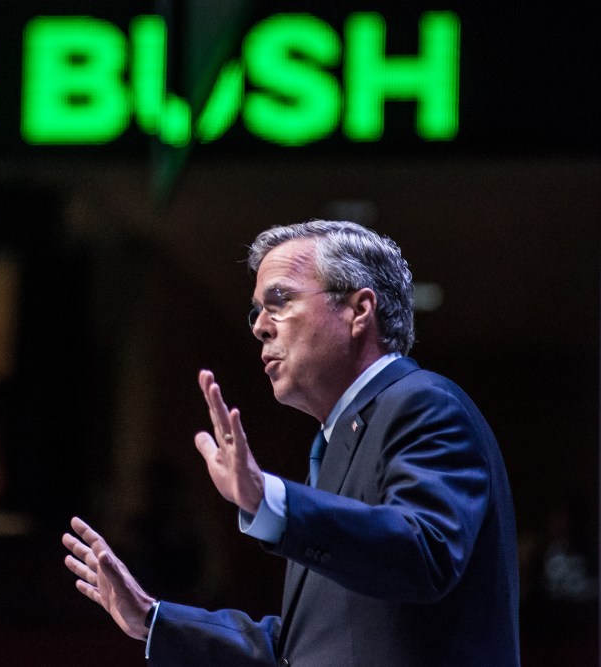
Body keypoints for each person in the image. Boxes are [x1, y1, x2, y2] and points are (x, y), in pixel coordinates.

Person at [63, 220, 520, 665]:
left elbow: (426, 553)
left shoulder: (423, 402)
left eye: (279, 301)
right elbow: (300, 649)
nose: (260, 326)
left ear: (359, 311)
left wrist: (270, 500)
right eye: (257, 310)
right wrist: (152, 618)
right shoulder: (336, 442)